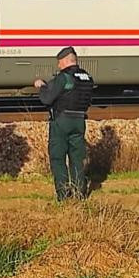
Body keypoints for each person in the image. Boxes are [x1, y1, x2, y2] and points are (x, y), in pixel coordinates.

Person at [35, 46, 94, 201]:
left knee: (58, 157)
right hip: (79, 121)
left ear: (67, 61)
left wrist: (41, 86)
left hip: (62, 121)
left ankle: (63, 195)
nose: (58, 66)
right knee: (77, 158)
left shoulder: (63, 77)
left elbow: (47, 99)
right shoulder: (87, 77)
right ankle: (79, 194)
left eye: (60, 62)